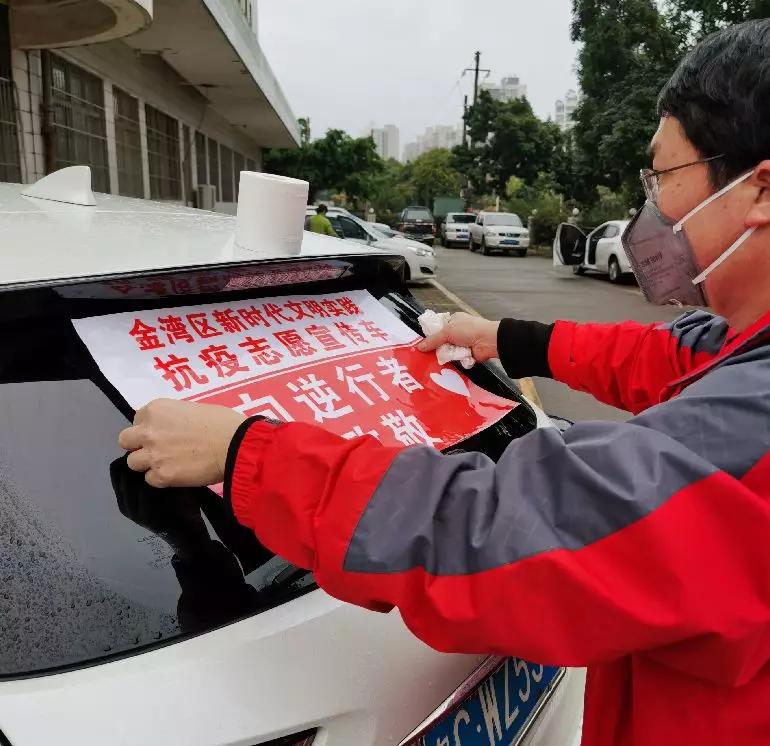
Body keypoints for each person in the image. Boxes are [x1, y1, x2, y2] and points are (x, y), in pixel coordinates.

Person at [118, 21, 770, 745]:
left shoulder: (755, 429)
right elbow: (669, 358)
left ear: (760, 189)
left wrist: (248, 455)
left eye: (663, 176)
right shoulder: (743, 345)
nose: (651, 208)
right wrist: (508, 340)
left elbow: (509, 528)